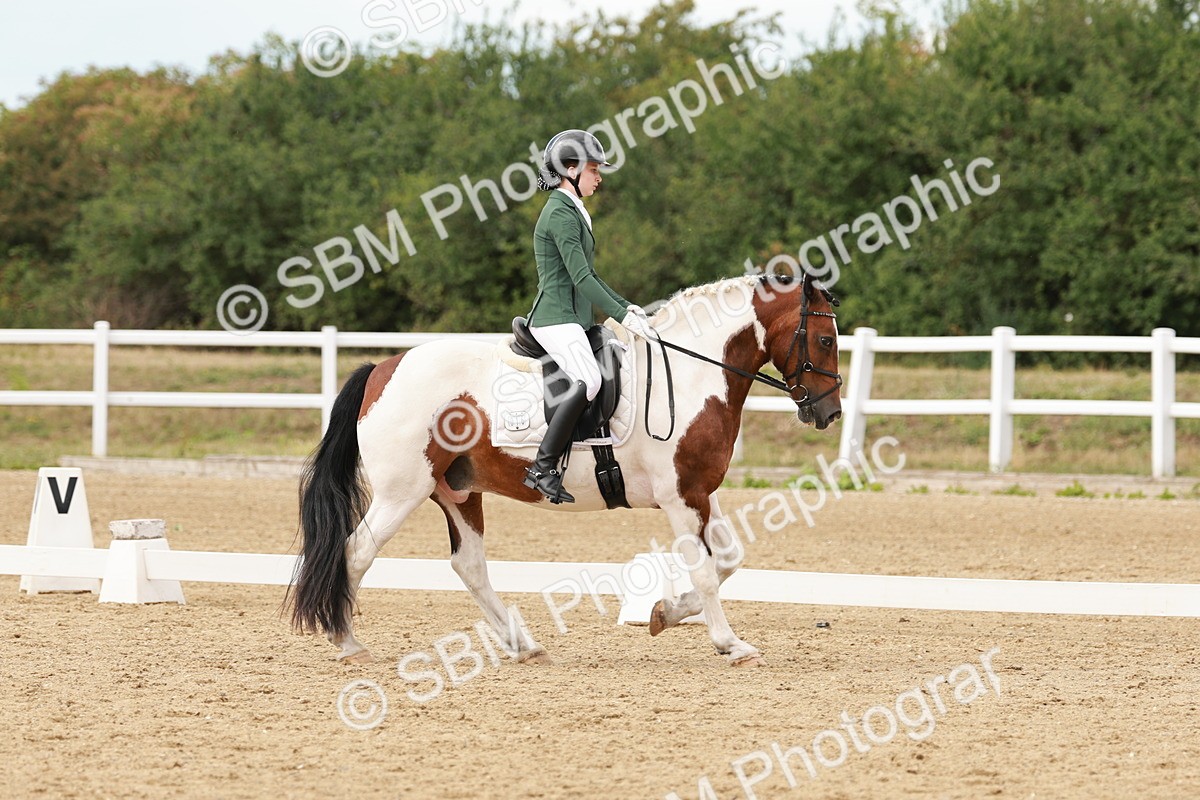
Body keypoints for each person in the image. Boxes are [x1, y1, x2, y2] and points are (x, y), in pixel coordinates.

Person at [523, 129, 653, 504]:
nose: (599, 178)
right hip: (555, 319)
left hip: (573, 318)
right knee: (590, 379)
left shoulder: (572, 210)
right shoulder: (559, 215)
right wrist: (620, 315)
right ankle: (543, 467)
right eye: (594, 170)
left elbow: (590, 277)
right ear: (569, 170)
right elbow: (580, 278)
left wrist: (626, 307)